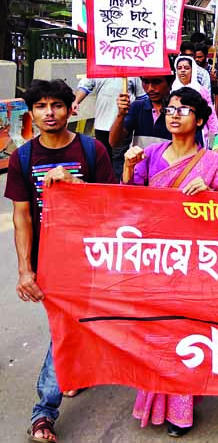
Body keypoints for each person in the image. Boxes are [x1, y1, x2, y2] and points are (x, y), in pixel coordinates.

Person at [6, 79, 116, 443]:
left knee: (70, 326)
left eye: (56, 105)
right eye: (40, 106)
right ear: (31, 112)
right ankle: (47, 408)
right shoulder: (23, 157)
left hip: (90, 256)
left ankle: (47, 407)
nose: (48, 113)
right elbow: (22, 216)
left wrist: (74, 187)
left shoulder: (92, 150)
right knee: (63, 327)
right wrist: (25, 268)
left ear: (72, 109)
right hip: (50, 261)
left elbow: (112, 206)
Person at [122, 87, 218, 438]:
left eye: (184, 110)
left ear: (200, 120)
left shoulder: (212, 162)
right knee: (155, 334)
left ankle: (180, 411)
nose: (174, 114)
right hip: (155, 261)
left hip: (195, 265)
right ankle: (152, 401)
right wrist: (127, 168)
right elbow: (130, 203)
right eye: (170, 109)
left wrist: (211, 196)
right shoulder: (150, 154)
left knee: (184, 336)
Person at [73, 76, 146, 176]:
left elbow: (142, 97)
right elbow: (85, 85)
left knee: (119, 162)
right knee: (102, 160)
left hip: (123, 127)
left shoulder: (132, 70)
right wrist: (76, 101)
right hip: (101, 125)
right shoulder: (99, 67)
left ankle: (119, 187)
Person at [111, 73, 198, 151]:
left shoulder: (180, 111)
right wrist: (120, 114)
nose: (150, 88)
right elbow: (115, 143)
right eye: (145, 82)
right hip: (140, 167)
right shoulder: (137, 107)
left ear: (171, 81)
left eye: (157, 82)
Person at [172, 56, 218, 146]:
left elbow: (210, 112)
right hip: (177, 129)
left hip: (197, 130)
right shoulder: (172, 90)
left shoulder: (200, 90)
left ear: (192, 70)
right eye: (179, 68)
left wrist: (215, 132)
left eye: (186, 68)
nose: (182, 70)